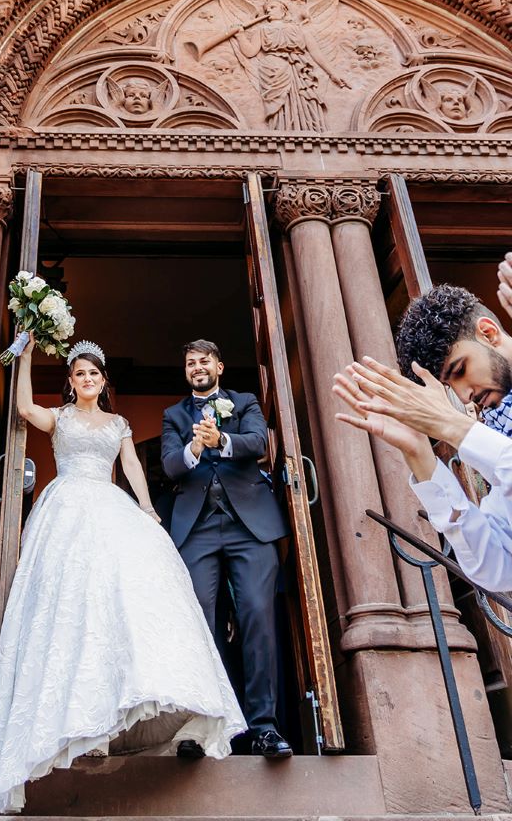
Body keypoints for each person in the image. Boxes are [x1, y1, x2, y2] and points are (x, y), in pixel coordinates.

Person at [0, 338, 245, 814]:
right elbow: (22, 408)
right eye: (79, 374)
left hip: (110, 507)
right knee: (72, 610)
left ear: (104, 382)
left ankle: (117, 716)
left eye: (93, 374)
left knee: (121, 604)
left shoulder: (119, 424)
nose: (86, 380)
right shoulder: (58, 418)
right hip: (65, 510)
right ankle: (77, 726)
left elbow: (129, 467)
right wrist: (23, 354)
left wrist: (146, 509)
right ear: (71, 381)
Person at [332, 277, 512, 593]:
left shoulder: (487, 442)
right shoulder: (496, 431)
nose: (464, 395)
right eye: (449, 386)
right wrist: (420, 455)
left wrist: (452, 426)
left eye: (459, 370)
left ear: (488, 333)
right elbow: (496, 569)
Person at [161, 339, 292, 759]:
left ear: (219, 365)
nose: (197, 367)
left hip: (248, 526)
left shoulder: (246, 401)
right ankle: (203, 728)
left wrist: (222, 439)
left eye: (203, 361)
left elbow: (258, 443)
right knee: (198, 624)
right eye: (190, 362)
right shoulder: (173, 415)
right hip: (196, 529)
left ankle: (264, 727)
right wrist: (196, 447)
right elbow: (170, 465)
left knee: (257, 615)